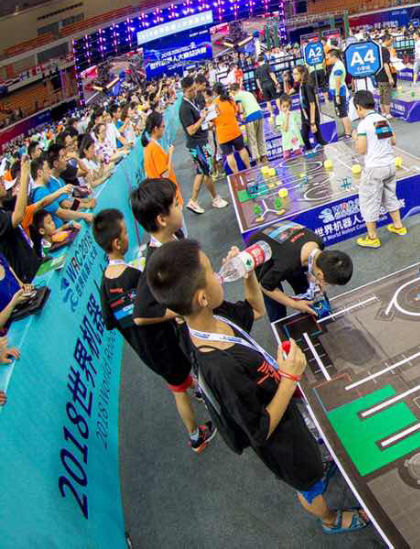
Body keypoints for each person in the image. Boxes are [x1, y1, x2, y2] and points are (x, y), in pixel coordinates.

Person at [145, 239, 368, 534]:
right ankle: (329, 519)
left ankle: (319, 467)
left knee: (313, 459)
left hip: (281, 403)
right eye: (211, 271)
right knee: (308, 483)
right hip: (281, 441)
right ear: (201, 297)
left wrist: (248, 274)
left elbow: (256, 309)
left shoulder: (213, 316)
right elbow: (260, 431)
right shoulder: (219, 367)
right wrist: (289, 378)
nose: (219, 274)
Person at [92, 208, 216, 453]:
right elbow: (152, 307)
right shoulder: (133, 276)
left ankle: (197, 389)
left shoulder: (105, 283)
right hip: (164, 345)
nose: (128, 236)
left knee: (178, 378)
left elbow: (110, 321)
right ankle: (196, 436)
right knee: (177, 389)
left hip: (145, 351)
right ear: (117, 242)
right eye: (125, 232)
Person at [246, 220, 353, 322]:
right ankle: (279, 324)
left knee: (305, 287)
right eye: (329, 284)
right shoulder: (286, 265)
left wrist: (314, 280)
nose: (327, 286)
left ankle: (311, 314)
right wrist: (294, 304)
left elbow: (311, 264)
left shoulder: (319, 243)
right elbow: (264, 287)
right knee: (276, 305)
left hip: (284, 240)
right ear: (320, 275)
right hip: (260, 248)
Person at [352, 90, 408, 249]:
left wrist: (356, 138)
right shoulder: (382, 120)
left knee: (368, 201)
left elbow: (361, 149)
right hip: (389, 166)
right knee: (390, 196)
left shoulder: (363, 124)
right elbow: (393, 141)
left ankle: (372, 238)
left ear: (359, 107)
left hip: (374, 169)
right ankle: (398, 226)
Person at [178, 79, 228, 215]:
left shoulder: (192, 102)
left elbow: (198, 124)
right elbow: (191, 130)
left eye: (194, 89)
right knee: (206, 172)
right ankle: (215, 198)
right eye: (191, 90)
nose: (194, 92)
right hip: (197, 145)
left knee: (202, 172)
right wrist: (203, 117)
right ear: (184, 91)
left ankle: (193, 201)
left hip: (201, 142)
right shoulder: (184, 108)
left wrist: (206, 122)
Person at [0, 157, 41, 282]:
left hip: (33, 269)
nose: (2, 181)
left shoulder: (5, 207)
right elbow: (18, 216)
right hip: (26, 280)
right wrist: (24, 175)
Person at [141, 112, 181, 203]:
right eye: (163, 126)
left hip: (160, 192)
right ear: (156, 129)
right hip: (167, 193)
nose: (164, 129)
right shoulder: (154, 148)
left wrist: (168, 154)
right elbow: (165, 175)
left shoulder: (148, 147)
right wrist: (170, 154)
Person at [213, 84, 251, 174]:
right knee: (242, 149)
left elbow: (212, 120)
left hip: (223, 134)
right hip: (234, 130)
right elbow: (235, 112)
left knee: (229, 155)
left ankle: (236, 174)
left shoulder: (214, 104)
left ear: (215, 92)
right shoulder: (230, 99)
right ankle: (249, 168)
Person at [232, 83, 267, 165]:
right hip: (259, 114)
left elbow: (240, 108)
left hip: (250, 117)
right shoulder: (248, 93)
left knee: (252, 140)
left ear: (233, 91)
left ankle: (258, 161)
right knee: (261, 137)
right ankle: (264, 157)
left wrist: (240, 116)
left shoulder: (237, 96)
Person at [293, 65, 326, 150]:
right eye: (293, 74)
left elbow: (312, 105)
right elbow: (287, 93)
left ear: (302, 74)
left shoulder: (307, 85)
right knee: (304, 137)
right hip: (305, 118)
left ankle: (331, 151)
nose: (294, 76)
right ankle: (310, 153)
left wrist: (312, 123)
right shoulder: (300, 85)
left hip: (312, 117)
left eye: (296, 74)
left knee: (319, 139)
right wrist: (285, 81)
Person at [275, 94, 303, 159]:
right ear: (280, 106)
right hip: (286, 142)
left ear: (290, 105)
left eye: (287, 106)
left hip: (295, 140)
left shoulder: (294, 114)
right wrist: (287, 117)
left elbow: (301, 122)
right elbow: (285, 129)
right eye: (283, 106)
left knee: (300, 157)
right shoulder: (279, 118)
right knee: (287, 157)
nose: (285, 108)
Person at [376, 36, 396, 119]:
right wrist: (390, 77)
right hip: (384, 76)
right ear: (386, 40)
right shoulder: (384, 50)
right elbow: (385, 64)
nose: (391, 42)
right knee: (386, 95)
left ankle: (383, 112)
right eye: (390, 41)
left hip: (378, 75)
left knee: (381, 95)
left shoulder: (377, 49)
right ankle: (388, 114)